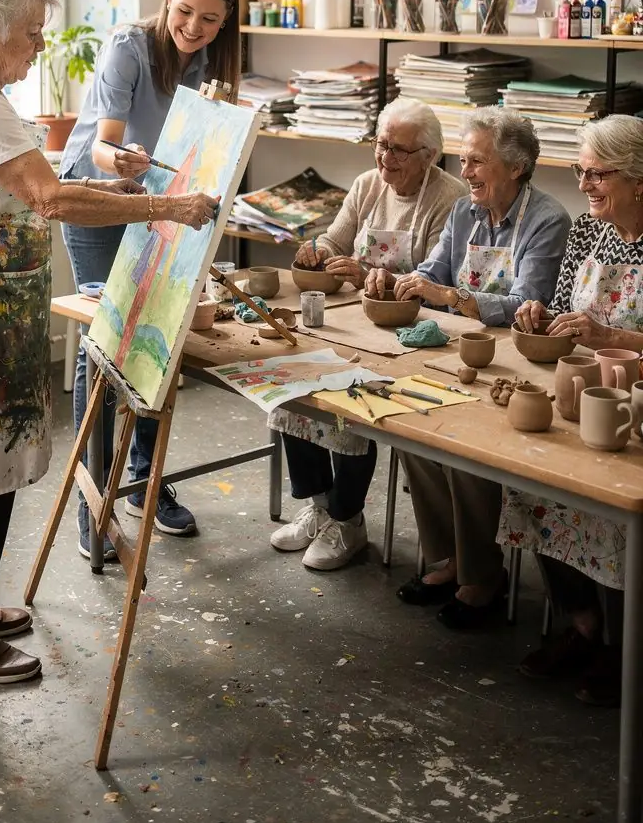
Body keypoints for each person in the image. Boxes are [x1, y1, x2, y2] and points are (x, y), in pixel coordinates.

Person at [0, 0, 217, 686]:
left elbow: (24, 183)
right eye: (29, 37)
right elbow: (47, 198)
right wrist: (163, 209)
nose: (38, 51)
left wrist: (108, 189)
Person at [60, 0, 240, 558]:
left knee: (158, 345)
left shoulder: (212, 61)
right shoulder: (128, 48)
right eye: (185, 10)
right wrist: (126, 160)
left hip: (162, 203)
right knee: (106, 348)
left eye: (210, 19)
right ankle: (94, 507)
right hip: (98, 196)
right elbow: (106, 146)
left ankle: (143, 484)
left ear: (225, 21)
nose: (193, 26)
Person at [269, 98, 466, 572]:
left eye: (398, 150)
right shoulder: (366, 185)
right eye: (381, 145)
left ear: (430, 156)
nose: (385, 159)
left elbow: (435, 282)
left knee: (347, 406)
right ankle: (318, 505)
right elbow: (335, 239)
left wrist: (368, 272)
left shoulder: (449, 198)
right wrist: (316, 252)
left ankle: (347, 517)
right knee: (294, 383)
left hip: (412, 336)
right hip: (353, 322)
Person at [393, 108, 571, 629]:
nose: (465, 172)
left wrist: (451, 296)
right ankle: (448, 558)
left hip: (517, 362)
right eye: (464, 159)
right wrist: (405, 282)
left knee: (468, 446)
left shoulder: (547, 219)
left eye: (477, 161)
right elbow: (436, 270)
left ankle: (482, 577)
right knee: (413, 430)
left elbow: (528, 303)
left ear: (515, 167)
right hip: (459, 350)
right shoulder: (466, 212)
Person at [502, 115, 643, 706]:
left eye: (596, 174)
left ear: (638, 176)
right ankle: (583, 627)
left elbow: (606, 330)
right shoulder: (588, 232)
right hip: (577, 391)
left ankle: (624, 648)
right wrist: (536, 316)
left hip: (632, 405)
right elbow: (561, 309)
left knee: (610, 509)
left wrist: (615, 334)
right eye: (579, 171)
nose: (584, 185)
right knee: (531, 480)